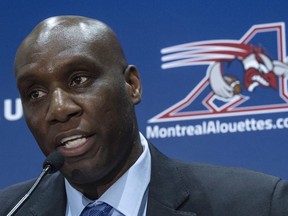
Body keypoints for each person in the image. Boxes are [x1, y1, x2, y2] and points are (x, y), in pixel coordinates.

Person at [0, 15, 288, 216]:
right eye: (35, 94)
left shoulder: (258, 204)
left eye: (79, 79)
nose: (59, 109)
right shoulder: (10, 210)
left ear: (132, 86)